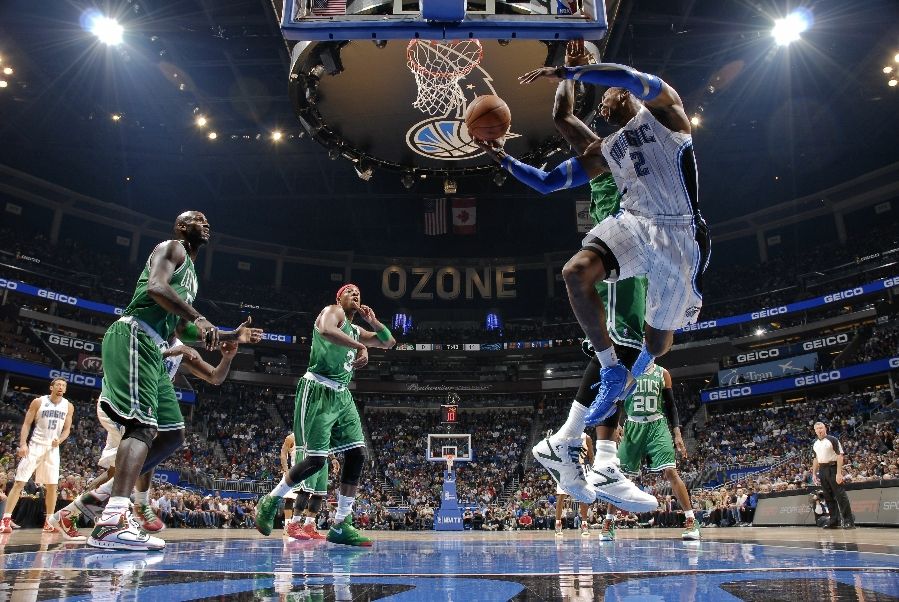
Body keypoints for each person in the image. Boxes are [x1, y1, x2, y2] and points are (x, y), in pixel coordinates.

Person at [476, 41, 661, 512]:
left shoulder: (654, 134)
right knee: (622, 351)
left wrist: (579, 71)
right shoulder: (604, 151)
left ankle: (584, 450)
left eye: (612, 92)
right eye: (604, 94)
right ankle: (593, 455)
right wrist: (570, 73)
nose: (608, 97)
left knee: (632, 353)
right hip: (619, 249)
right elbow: (552, 149)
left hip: (647, 252)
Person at [86, 211, 262, 551]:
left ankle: (104, 497)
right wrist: (201, 317)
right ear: (182, 227)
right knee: (141, 427)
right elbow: (155, 287)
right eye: (198, 220)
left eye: (208, 220)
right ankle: (112, 520)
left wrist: (229, 333)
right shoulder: (173, 248)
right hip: (136, 334)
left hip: (155, 342)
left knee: (171, 433)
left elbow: (181, 328)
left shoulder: (192, 275)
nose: (206, 223)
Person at [48, 337, 248, 541]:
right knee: (146, 443)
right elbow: (128, 361)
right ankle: (136, 507)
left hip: (142, 405)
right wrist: (169, 353)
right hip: (122, 399)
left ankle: (71, 513)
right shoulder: (142, 331)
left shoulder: (179, 344)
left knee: (116, 470)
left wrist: (227, 358)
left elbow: (215, 377)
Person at [255, 284, 396, 546]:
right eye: (350, 291)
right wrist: (360, 347)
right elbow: (326, 330)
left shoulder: (357, 329)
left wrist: (374, 322)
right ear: (338, 298)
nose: (356, 294)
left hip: (342, 395)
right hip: (318, 387)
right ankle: (270, 500)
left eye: (359, 293)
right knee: (316, 461)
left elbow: (389, 342)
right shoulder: (332, 311)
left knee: (357, 454)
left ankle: (341, 523)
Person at [599, 364, 699, 540]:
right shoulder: (626, 372)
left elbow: (671, 405)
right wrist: (616, 424)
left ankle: (691, 519)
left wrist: (677, 433)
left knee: (670, 471)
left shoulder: (663, 373)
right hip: (632, 426)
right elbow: (611, 400)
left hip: (657, 425)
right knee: (619, 477)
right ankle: (608, 522)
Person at [1, 378, 74, 534]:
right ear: (51, 387)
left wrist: (60, 440)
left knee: (52, 486)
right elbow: (27, 423)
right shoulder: (38, 402)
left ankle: (49, 521)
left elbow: (67, 429)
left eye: (64, 385)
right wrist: (23, 444)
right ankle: (5, 520)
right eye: (58, 385)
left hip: (53, 448)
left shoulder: (68, 406)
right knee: (19, 482)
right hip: (35, 445)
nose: (61, 387)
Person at [279, 432, 340, 540]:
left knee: (317, 494)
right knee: (293, 497)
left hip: (320, 463)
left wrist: (333, 458)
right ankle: (290, 525)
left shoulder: (318, 431)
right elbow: (283, 453)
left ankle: (309, 525)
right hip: (299, 468)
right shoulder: (292, 437)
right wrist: (286, 469)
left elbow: (326, 443)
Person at [812, 421, 855, 529]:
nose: (819, 430)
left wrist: (839, 473)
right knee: (828, 496)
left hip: (833, 467)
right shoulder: (815, 443)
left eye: (821, 428)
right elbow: (815, 459)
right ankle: (834, 520)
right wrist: (814, 473)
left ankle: (848, 521)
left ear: (825, 428)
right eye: (817, 429)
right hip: (822, 469)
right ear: (815, 431)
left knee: (840, 495)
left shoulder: (832, 439)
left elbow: (840, 456)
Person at [554, 431, 593, 537]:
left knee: (583, 497)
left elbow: (591, 457)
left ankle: (584, 524)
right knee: (561, 497)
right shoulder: (563, 435)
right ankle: (558, 524)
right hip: (565, 468)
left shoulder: (586, 437)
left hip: (580, 468)